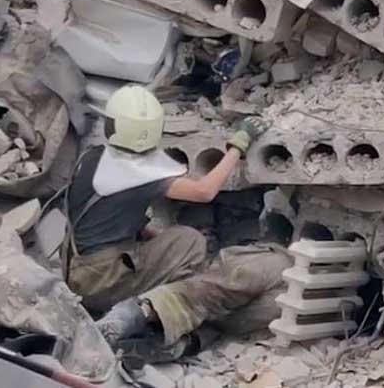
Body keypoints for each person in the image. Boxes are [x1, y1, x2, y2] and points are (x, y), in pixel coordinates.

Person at [64, 84, 291, 354]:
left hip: (77, 271)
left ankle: (156, 312)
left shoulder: (93, 158)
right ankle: (162, 306)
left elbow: (111, 215)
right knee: (190, 241)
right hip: (102, 280)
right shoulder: (139, 171)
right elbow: (205, 191)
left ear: (112, 125)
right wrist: (238, 145)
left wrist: (157, 241)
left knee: (173, 238)